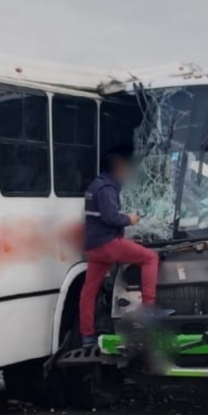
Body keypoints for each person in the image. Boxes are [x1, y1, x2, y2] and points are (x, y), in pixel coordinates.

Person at [80, 148, 166, 349]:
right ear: (117, 169)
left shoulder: (95, 186)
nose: (127, 173)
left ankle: (87, 336)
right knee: (150, 257)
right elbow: (111, 218)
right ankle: (149, 309)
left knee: (88, 291)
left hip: (93, 247)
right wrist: (131, 219)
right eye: (125, 169)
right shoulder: (107, 188)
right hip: (108, 244)